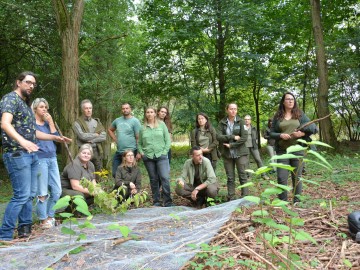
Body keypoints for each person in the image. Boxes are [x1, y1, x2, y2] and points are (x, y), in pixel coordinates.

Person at [0, 71, 65, 241]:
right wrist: (23, 142)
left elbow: (33, 132)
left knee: (30, 194)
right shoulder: (10, 99)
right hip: (17, 153)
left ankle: (24, 229)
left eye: (33, 84)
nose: (31, 86)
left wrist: (54, 137)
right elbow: (5, 123)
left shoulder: (25, 104)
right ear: (18, 82)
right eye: (28, 82)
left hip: (31, 154)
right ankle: (5, 235)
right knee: (21, 195)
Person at [270, 92, 316, 204]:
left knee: (297, 177)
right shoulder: (277, 116)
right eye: (288, 99)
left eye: (292, 99)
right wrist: (280, 135)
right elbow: (270, 133)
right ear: (283, 102)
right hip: (282, 151)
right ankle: (282, 201)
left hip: (298, 150)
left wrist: (301, 134)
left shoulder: (300, 114)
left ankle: (297, 200)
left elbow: (313, 127)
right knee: (281, 177)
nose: (291, 101)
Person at [32, 98, 71, 229]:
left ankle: (50, 216)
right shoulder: (31, 123)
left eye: (46, 107)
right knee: (42, 191)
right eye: (42, 107)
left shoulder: (48, 123)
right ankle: (43, 220)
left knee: (57, 191)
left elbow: (56, 137)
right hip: (40, 159)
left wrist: (51, 122)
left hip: (52, 157)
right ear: (35, 109)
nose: (45, 109)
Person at [138, 107, 174, 207]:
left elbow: (168, 141)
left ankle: (167, 201)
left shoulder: (162, 125)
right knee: (153, 179)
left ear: (155, 114)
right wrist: (142, 153)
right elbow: (140, 143)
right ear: (145, 114)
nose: (149, 114)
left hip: (161, 155)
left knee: (164, 177)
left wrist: (164, 152)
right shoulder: (142, 128)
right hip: (148, 157)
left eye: (151, 112)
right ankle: (156, 201)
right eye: (147, 112)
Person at [217, 103, 249, 200]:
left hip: (240, 153)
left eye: (235, 109)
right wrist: (232, 137)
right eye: (231, 109)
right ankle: (231, 196)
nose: (233, 111)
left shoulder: (241, 122)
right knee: (230, 177)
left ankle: (245, 196)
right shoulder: (222, 122)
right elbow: (218, 136)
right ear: (227, 110)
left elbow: (244, 138)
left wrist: (232, 145)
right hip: (227, 154)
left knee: (242, 174)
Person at [108, 103, 141, 178]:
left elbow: (138, 137)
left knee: (130, 174)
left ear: (130, 109)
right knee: (115, 173)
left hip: (131, 151)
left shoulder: (135, 121)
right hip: (119, 151)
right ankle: (122, 187)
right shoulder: (117, 120)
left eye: (127, 108)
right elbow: (110, 130)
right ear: (121, 110)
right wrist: (115, 139)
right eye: (123, 108)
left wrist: (139, 152)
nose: (125, 110)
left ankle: (130, 188)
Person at [73, 99, 106, 173]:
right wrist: (96, 135)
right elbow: (82, 136)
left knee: (98, 173)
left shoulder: (96, 122)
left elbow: (104, 136)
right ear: (82, 110)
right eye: (86, 108)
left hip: (96, 151)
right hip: (83, 152)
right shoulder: (77, 123)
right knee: (81, 172)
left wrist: (93, 140)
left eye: (90, 108)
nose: (88, 110)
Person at [244, 115, 269, 180]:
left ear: (250, 120)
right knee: (246, 162)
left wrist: (257, 143)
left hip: (254, 146)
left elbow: (257, 137)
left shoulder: (254, 128)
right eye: (245, 119)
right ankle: (248, 176)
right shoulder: (242, 128)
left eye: (248, 119)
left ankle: (263, 175)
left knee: (258, 159)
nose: (247, 120)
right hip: (244, 147)